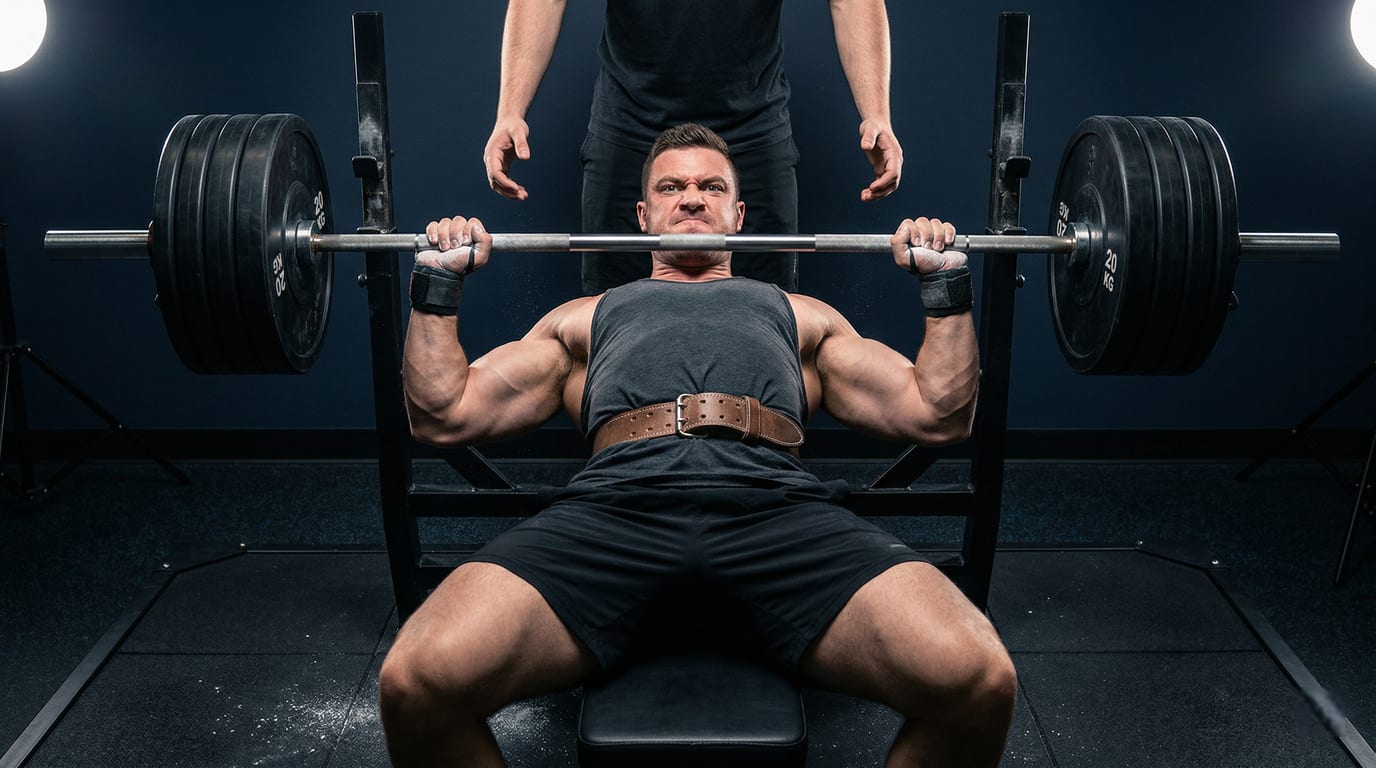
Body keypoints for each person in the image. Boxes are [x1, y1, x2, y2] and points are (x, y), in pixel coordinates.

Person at [382, 123, 1016, 767]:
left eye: (711, 186)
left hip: (776, 514)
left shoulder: (798, 312)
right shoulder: (587, 316)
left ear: (738, 216)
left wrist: (945, 288)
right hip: (614, 514)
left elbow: (939, 414)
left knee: (976, 679)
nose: (691, 198)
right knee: (417, 681)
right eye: (672, 187)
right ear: (643, 214)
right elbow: (444, 414)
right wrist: (438, 284)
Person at [482, 0, 905, 295]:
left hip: (751, 119)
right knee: (610, 304)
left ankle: (754, 422)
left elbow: (851, 1)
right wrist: (510, 111)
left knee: (770, 302)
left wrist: (876, 114)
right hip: (630, 117)